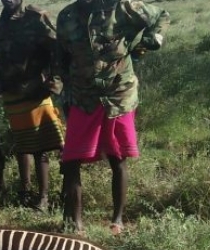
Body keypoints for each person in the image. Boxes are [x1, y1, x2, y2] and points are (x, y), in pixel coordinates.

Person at [55, 0, 169, 234]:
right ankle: (74, 224)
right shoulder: (67, 16)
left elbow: (161, 16)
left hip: (118, 94)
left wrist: (148, 41)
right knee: (71, 159)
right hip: (83, 96)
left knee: (117, 157)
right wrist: (63, 89)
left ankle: (117, 220)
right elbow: (62, 56)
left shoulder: (122, 7)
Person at [0, 0, 65, 210]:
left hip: (36, 90)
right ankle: (24, 191)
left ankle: (43, 197)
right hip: (12, 92)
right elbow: (0, 59)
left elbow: (57, 49)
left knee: (40, 146)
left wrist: (54, 82)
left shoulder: (36, 17)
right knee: (22, 144)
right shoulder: (1, 24)